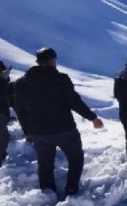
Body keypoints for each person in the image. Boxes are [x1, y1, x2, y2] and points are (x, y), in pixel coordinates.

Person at [12, 48, 104, 196]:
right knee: (76, 158)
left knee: (44, 164)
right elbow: (74, 102)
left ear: (37, 62)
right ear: (53, 61)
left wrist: (27, 131)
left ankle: (48, 193)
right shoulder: (61, 79)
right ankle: (71, 188)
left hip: (38, 131)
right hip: (64, 129)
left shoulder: (21, 83)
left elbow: (20, 110)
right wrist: (92, 118)